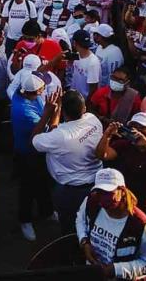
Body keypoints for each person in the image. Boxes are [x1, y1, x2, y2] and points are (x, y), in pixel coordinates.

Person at [31, 90, 103, 235]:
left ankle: (72, 253)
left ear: (64, 112)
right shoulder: (93, 119)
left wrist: (47, 112)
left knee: (71, 227)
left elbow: (35, 140)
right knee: (94, 224)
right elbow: (56, 134)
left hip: (71, 192)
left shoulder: (59, 136)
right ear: (84, 109)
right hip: (97, 185)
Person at [95, 112, 146, 239]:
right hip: (129, 205)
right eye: (134, 127)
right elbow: (102, 155)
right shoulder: (123, 145)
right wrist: (107, 135)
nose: (137, 131)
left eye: (142, 128)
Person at [75, 168, 146, 279]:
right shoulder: (91, 202)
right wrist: (84, 242)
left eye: (109, 193)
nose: (103, 199)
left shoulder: (142, 226)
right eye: (100, 192)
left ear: (123, 191)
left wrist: (115, 270)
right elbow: (80, 220)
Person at [10, 73, 54, 241]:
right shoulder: (24, 112)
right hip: (27, 154)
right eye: (42, 88)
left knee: (43, 184)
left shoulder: (21, 94)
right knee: (27, 189)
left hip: (37, 153)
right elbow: (43, 131)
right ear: (35, 91)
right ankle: (25, 220)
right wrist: (51, 111)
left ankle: (47, 212)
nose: (44, 90)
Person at [69, 29, 101, 100]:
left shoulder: (93, 63)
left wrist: (86, 104)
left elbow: (93, 88)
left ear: (74, 43)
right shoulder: (77, 56)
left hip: (83, 101)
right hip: (74, 98)